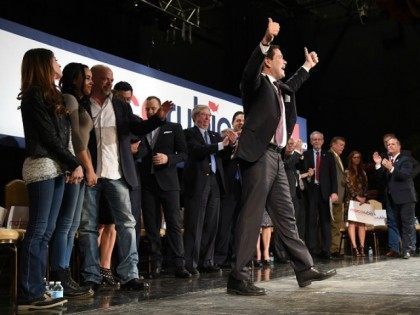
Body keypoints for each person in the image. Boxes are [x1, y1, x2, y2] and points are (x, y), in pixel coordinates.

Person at [227, 18, 336, 296]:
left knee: (286, 216)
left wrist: (308, 65)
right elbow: (250, 69)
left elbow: (294, 83)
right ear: (268, 62)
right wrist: (265, 39)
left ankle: (304, 268)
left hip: (276, 158)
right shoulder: (255, 84)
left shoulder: (280, 88)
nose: (285, 62)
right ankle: (238, 277)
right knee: (252, 216)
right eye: (281, 58)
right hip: (258, 155)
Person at [78, 64, 173, 291]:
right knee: (89, 227)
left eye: (112, 79)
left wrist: (158, 118)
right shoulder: (82, 105)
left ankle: (129, 275)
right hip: (91, 175)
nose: (110, 82)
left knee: (127, 224)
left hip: (117, 174)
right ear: (95, 79)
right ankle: (92, 275)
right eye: (105, 79)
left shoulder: (119, 105)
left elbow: (138, 128)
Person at [17, 48, 83, 310]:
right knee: (38, 230)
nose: (59, 63)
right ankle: (28, 294)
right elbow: (47, 136)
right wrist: (74, 163)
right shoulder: (34, 94)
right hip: (42, 166)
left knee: (46, 232)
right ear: (44, 64)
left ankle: (37, 289)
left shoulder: (52, 94)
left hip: (56, 166)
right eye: (55, 59)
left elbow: (63, 137)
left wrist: (68, 164)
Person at [49, 62, 96, 298]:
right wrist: (85, 167)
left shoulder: (78, 101)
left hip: (77, 166)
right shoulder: (68, 98)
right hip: (71, 168)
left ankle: (64, 277)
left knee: (71, 227)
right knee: (65, 225)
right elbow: (75, 139)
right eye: (86, 77)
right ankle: (59, 278)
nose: (91, 81)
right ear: (74, 79)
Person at [138, 96, 191, 278]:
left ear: (161, 109)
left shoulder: (174, 128)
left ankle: (179, 265)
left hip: (169, 183)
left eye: (154, 108)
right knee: (152, 227)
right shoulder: (142, 129)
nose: (151, 112)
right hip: (147, 184)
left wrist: (169, 159)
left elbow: (184, 154)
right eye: (148, 109)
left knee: (174, 225)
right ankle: (156, 265)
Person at [183, 105, 234, 275]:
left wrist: (230, 146)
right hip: (198, 182)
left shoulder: (213, 135)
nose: (207, 118)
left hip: (215, 182)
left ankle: (208, 261)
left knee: (212, 223)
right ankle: (191, 263)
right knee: (195, 224)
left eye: (209, 116)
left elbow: (223, 156)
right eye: (204, 115)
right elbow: (197, 151)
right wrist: (221, 145)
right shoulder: (189, 133)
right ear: (195, 117)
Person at [373, 137, 417, 259]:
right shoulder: (387, 161)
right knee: (397, 224)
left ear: (399, 147)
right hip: (392, 198)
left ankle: (408, 249)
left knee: (407, 223)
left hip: (406, 197)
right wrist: (378, 164)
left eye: (393, 144)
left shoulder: (405, 160)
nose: (390, 146)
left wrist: (391, 168)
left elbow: (405, 175)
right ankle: (404, 249)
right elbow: (381, 180)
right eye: (388, 144)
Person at [214, 111, 244, 268]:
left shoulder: (250, 140)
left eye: (243, 120)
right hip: (229, 186)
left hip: (245, 188)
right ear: (233, 123)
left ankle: (236, 258)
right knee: (225, 224)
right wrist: (231, 144)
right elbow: (221, 157)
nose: (240, 123)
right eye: (237, 120)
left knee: (239, 225)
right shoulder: (224, 137)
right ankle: (221, 258)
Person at [303, 131, 338, 259]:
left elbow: (333, 176)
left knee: (325, 222)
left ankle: (326, 250)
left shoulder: (328, 155)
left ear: (323, 141)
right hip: (311, 192)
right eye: (314, 139)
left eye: (319, 139)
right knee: (311, 221)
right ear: (311, 142)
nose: (316, 141)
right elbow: (301, 173)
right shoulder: (305, 155)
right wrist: (307, 176)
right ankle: (311, 250)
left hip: (325, 193)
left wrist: (334, 192)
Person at [344, 151, 368, 256]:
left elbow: (366, 186)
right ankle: (354, 247)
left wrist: (364, 197)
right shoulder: (347, 171)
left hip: (362, 200)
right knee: (352, 223)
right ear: (351, 159)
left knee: (362, 223)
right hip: (351, 200)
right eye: (354, 157)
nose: (357, 159)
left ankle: (362, 247)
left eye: (358, 157)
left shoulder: (363, 172)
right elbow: (348, 186)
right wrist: (356, 197)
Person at [329, 137, 346, 258]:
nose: (342, 147)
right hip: (333, 195)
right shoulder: (329, 156)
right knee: (332, 223)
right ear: (333, 144)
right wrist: (332, 192)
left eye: (343, 145)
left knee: (337, 224)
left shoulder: (337, 157)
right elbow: (328, 176)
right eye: (340, 145)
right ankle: (332, 249)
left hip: (340, 196)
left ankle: (336, 249)